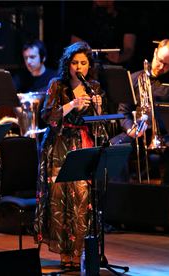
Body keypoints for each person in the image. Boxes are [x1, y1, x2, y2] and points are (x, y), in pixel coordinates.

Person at [34, 41, 104, 268]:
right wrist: (72, 104)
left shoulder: (94, 86)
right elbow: (47, 116)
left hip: (82, 145)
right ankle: (64, 254)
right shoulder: (57, 85)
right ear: (68, 64)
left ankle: (79, 252)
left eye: (83, 63)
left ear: (89, 65)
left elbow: (99, 123)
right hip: (59, 146)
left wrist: (99, 106)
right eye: (75, 62)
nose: (79, 67)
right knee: (59, 199)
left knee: (82, 199)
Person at [114, 39, 169, 185]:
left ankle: (165, 195)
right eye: (160, 61)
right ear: (155, 52)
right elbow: (123, 112)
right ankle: (124, 194)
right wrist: (130, 128)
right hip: (138, 134)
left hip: (167, 137)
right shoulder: (134, 79)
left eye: (167, 65)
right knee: (113, 148)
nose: (161, 67)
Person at [70, 0, 137, 70]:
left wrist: (120, 57)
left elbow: (129, 49)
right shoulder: (84, 18)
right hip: (88, 69)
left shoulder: (125, 19)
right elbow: (74, 47)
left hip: (115, 69)